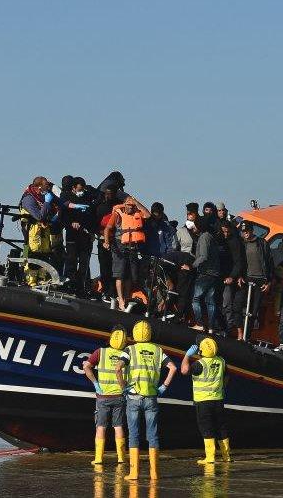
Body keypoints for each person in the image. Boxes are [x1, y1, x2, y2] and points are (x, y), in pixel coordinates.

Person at [117, 320, 176, 481]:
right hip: (151, 397)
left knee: (134, 434)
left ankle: (134, 473)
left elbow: (118, 368)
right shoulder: (158, 350)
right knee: (153, 435)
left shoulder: (130, 349)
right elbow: (173, 368)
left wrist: (124, 387)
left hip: (133, 397)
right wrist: (164, 386)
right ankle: (154, 473)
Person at [82, 325, 128, 466]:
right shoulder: (126, 354)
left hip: (102, 397)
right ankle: (121, 458)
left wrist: (95, 383)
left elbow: (86, 367)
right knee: (118, 426)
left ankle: (98, 458)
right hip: (120, 396)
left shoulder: (100, 352)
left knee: (101, 427)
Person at [180, 337, 230, 466]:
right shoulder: (221, 361)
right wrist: (223, 388)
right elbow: (227, 376)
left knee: (206, 428)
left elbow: (184, 370)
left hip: (203, 401)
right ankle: (226, 456)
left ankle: (210, 457)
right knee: (221, 427)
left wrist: (186, 356)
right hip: (218, 400)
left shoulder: (199, 364)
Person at [104, 196, 151, 310]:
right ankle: (120, 299)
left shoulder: (137, 213)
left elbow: (148, 215)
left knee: (130, 274)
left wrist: (136, 202)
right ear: (124, 204)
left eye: (132, 206)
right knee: (120, 274)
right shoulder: (118, 214)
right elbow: (108, 228)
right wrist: (106, 242)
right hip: (119, 245)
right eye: (129, 205)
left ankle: (126, 297)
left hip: (133, 246)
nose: (131, 208)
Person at [232, 222, 274, 340]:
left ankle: (247, 337)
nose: (245, 233)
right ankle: (240, 332)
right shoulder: (241, 244)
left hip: (260, 280)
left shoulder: (262, 243)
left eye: (247, 231)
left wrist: (269, 282)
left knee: (253, 312)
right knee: (237, 305)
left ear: (252, 230)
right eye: (243, 231)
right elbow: (238, 262)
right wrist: (239, 276)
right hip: (245, 279)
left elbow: (270, 263)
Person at [19, 177, 57, 286]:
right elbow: (39, 216)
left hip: (43, 228)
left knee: (44, 251)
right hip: (31, 228)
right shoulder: (28, 198)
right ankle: (30, 279)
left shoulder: (44, 196)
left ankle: (41, 277)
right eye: (46, 185)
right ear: (39, 187)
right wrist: (47, 202)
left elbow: (54, 208)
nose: (48, 187)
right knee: (32, 251)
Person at [61, 177, 94, 297]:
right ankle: (70, 285)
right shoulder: (66, 196)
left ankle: (81, 287)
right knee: (71, 261)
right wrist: (71, 223)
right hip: (72, 235)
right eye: (79, 189)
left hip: (85, 236)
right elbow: (64, 211)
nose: (81, 192)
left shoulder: (87, 199)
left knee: (84, 263)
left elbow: (91, 216)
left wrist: (91, 232)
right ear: (74, 188)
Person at [191, 218, 222, 333]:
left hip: (206, 273)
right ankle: (211, 327)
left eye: (195, 225)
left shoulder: (204, 237)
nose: (193, 228)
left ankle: (199, 323)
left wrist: (192, 265)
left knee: (196, 298)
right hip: (214, 273)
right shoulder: (211, 237)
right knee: (210, 301)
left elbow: (203, 256)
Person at [174, 203, 201, 323]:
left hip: (197, 263)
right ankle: (179, 314)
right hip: (184, 260)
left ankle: (189, 317)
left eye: (192, 214)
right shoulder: (181, 231)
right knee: (182, 290)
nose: (190, 216)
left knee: (193, 293)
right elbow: (175, 248)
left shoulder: (200, 231)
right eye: (188, 214)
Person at [217, 220, 243, 336]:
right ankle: (218, 326)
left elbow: (238, 262)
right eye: (223, 232)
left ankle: (228, 328)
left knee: (226, 303)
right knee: (216, 302)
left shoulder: (235, 242)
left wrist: (232, 276)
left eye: (227, 232)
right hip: (217, 276)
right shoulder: (218, 240)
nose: (225, 234)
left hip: (228, 277)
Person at [95, 186, 121, 301]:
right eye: (106, 194)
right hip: (103, 240)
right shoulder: (100, 207)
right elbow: (96, 223)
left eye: (110, 194)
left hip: (117, 242)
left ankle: (113, 293)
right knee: (104, 268)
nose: (107, 196)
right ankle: (106, 291)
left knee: (115, 269)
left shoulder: (120, 207)